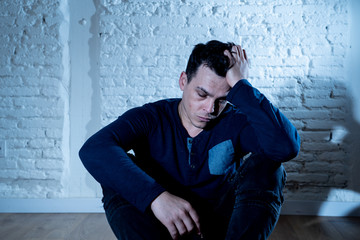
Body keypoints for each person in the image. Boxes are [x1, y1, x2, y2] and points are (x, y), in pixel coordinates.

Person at [79, 40, 300, 240]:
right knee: (115, 170)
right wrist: (156, 197)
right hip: (159, 228)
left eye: (222, 100)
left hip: (220, 230)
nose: (210, 109)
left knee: (269, 167)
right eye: (202, 94)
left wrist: (241, 85)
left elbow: (286, 147)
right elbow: (94, 149)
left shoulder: (235, 122)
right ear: (183, 80)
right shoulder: (151, 117)